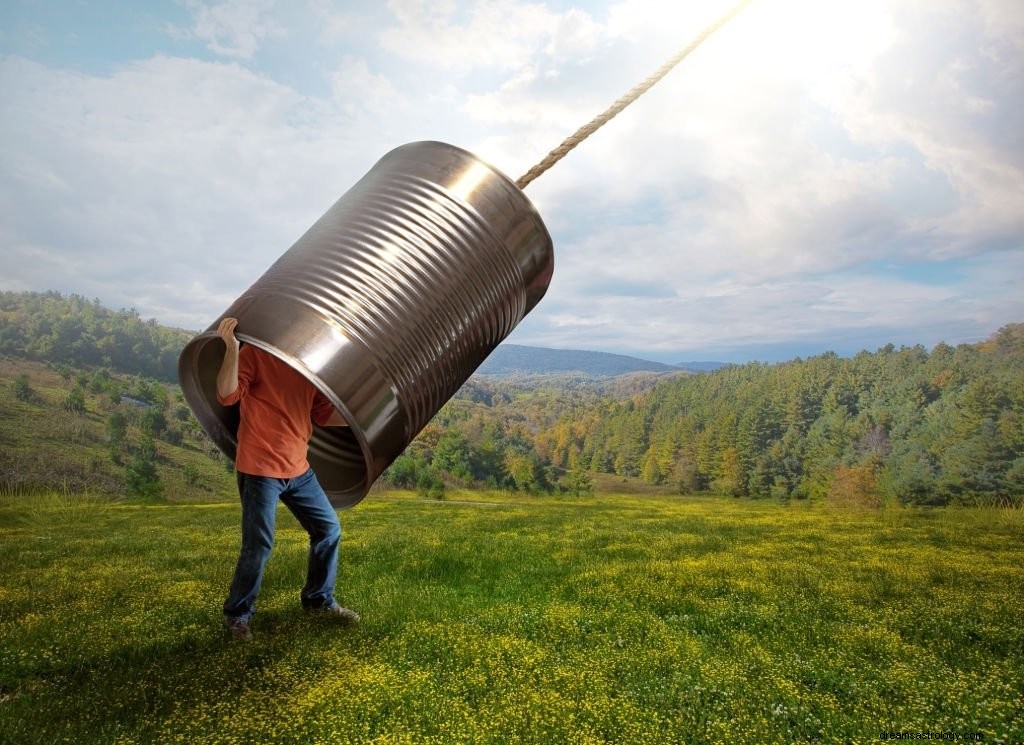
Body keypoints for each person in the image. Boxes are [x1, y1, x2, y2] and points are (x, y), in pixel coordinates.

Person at [215, 316, 359, 641]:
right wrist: (232, 349)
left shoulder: (311, 367)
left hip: (298, 469)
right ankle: (237, 616)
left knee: (328, 530)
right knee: (259, 546)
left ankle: (318, 602)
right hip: (260, 468)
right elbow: (226, 395)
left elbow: (323, 415)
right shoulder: (257, 354)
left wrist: (361, 413)